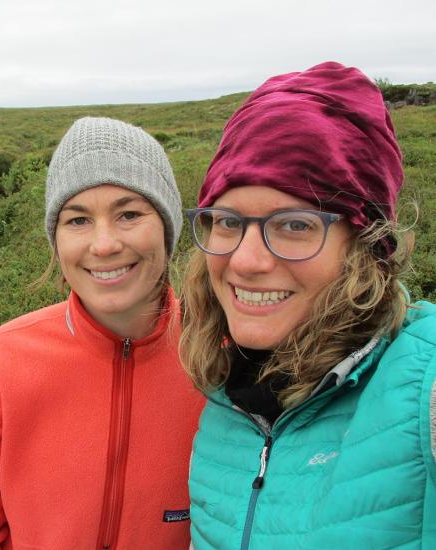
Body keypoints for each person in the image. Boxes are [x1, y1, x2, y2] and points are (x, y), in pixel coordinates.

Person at [179, 61, 436, 549]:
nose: (246, 261)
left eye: (294, 224)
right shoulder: (223, 399)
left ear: (365, 243)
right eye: (228, 221)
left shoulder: (424, 388)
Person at [0, 116, 205, 549]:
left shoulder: (219, 356)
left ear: (167, 227)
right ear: (55, 239)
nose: (104, 244)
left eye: (129, 213)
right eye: (77, 220)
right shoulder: (2, 361)